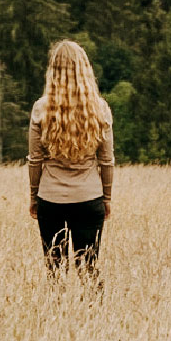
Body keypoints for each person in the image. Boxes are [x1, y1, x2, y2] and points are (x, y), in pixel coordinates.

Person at [28, 39, 114, 285]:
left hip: (51, 199)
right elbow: (107, 161)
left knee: (55, 271)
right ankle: (93, 318)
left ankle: (57, 319)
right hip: (89, 198)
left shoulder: (41, 109)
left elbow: (35, 160)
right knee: (89, 268)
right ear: (85, 69)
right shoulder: (99, 109)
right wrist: (106, 198)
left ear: (53, 70)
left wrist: (34, 197)